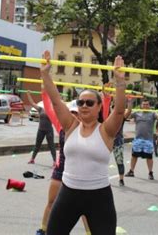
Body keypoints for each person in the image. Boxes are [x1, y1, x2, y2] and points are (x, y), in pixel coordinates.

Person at [41, 50, 126, 235]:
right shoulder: (71, 126)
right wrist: (45, 74)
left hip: (99, 197)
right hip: (68, 193)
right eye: (81, 103)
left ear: (99, 107)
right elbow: (56, 101)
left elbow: (119, 111)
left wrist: (120, 81)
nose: (84, 106)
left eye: (89, 103)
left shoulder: (106, 130)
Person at [36, 101, 90, 235]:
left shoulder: (86, 129)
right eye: (71, 113)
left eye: (75, 113)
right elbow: (50, 107)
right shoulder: (61, 126)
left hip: (79, 172)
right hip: (61, 169)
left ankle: (89, 232)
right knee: (51, 202)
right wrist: (44, 91)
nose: (73, 116)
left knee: (84, 209)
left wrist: (105, 100)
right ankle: (43, 229)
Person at [125, 100, 158, 180]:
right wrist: (129, 104)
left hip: (148, 140)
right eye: (144, 104)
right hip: (138, 139)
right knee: (134, 156)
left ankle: (150, 173)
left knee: (149, 157)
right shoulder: (137, 113)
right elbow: (127, 116)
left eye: (147, 104)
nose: (145, 106)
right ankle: (131, 171)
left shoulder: (153, 113)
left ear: (149, 106)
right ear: (141, 105)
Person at [26, 91, 56, 165]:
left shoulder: (52, 110)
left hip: (49, 130)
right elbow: (32, 103)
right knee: (37, 145)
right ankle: (32, 159)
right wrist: (28, 94)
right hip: (41, 130)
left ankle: (55, 161)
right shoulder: (41, 109)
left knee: (51, 146)